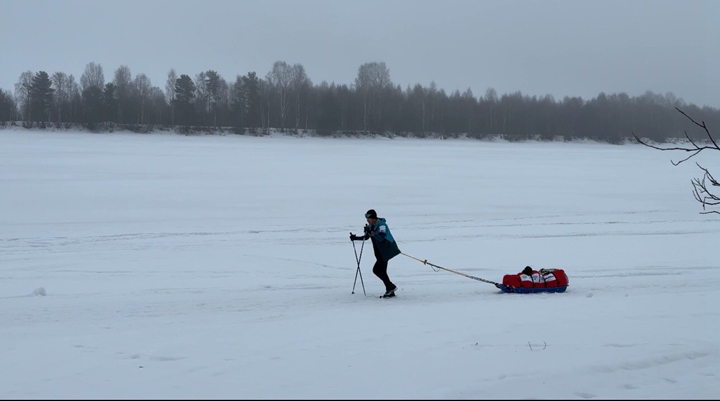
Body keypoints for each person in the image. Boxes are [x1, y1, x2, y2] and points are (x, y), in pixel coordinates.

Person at [350, 209, 401, 298]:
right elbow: (366, 237)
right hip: (379, 252)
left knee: (377, 270)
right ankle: (390, 290)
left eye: (368, 218)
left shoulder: (382, 225)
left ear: (374, 217)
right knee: (382, 271)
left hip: (386, 251)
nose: (367, 220)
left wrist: (372, 233)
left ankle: (391, 287)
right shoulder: (371, 226)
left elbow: (381, 238)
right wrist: (355, 238)